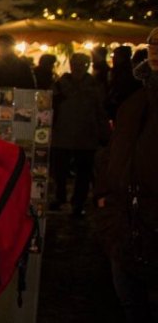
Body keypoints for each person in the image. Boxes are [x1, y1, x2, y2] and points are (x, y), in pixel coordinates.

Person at [93, 27, 158, 323]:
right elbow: (115, 152)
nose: (156, 52)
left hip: (151, 221)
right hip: (125, 223)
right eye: (153, 45)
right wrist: (105, 197)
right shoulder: (135, 101)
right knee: (132, 305)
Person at [50, 52, 109, 219]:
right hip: (63, 134)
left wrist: (104, 133)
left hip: (85, 135)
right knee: (60, 171)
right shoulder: (60, 84)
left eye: (81, 64)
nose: (77, 67)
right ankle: (60, 196)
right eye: (75, 63)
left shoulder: (94, 85)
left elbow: (100, 111)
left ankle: (78, 202)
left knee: (83, 172)